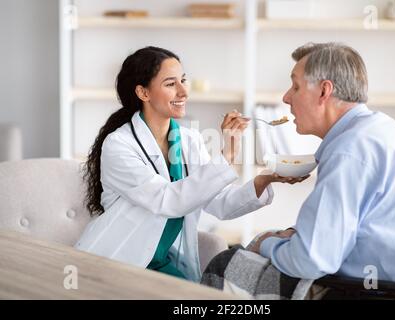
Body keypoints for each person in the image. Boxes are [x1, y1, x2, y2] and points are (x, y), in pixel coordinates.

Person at [201, 42, 395, 298]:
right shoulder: (383, 130)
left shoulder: (349, 150)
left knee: (225, 265)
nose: (286, 98)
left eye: (295, 86)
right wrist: (292, 236)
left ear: (324, 91)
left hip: (361, 292)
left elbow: (311, 260)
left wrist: (267, 243)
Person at [74, 46, 308, 282]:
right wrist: (226, 156)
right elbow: (168, 200)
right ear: (143, 93)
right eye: (170, 84)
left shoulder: (189, 140)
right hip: (118, 263)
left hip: (159, 263)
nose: (184, 91)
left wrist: (265, 178)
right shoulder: (119, 145)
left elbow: (220, 203)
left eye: (183, 80)